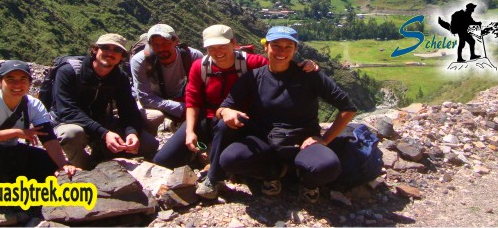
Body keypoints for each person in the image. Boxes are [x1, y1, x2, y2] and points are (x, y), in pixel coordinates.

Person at [209, 26, 357, 203]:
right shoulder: (253, 78)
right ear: (266, 46)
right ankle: (272, 173)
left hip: (303, 142)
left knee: (328, 166)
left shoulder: (309, 75)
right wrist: (226, 111)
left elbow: (348, 108)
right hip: (265, 141)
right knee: (230, 159)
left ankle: (307, 182)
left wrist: (325, 139)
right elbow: (223, 108)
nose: (282, 52)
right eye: (276, 46)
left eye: (288, 47)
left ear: (295, 49)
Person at [152, 24, 319, 179]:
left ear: (233, 43)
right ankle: (202, 152)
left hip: (241, 124)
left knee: (226, 134)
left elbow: (280, 67)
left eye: (222, 46)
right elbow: (192, 101)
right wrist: (190, 131)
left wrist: (305, 66)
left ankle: (215, 176)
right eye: (211, 48)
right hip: (207, 119)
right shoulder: (200, 67)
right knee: (163, 160)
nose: (217, 52)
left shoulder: (253, 63)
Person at [0, 60, 77, 225]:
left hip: (7, 154)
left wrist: (62, 165)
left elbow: (48, 138)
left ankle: (29, 198)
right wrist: (17, 132)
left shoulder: (33, 104)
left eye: (23, 79)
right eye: (10, 79)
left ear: (30, 83)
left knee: (47, 161)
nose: (17, 84)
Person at [53, 33, 159, 170]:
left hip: (101, 120)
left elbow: (128, 109)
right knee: (71, 135)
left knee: (149, 145)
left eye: (117, 50)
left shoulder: (119, 78)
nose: (110, 53)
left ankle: (103, 156)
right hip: (70, 121)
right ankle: (86, 169)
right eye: (105, 48)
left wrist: (131, 132)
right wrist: (104, 133)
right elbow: (67, 110)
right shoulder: (69, 71)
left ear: (122, 56)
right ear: (95, 50)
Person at [130, 24, 204, 135]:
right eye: (156, 44)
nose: (161, 48)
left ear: (176, 41)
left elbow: (201, 88)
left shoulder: (192, 56)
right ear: (149, 44)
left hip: (178, 96)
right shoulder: (140, 61)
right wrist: (183, 108)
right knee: (155, 117)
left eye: (166, 43)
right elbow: (145, 98)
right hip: (151, 101)